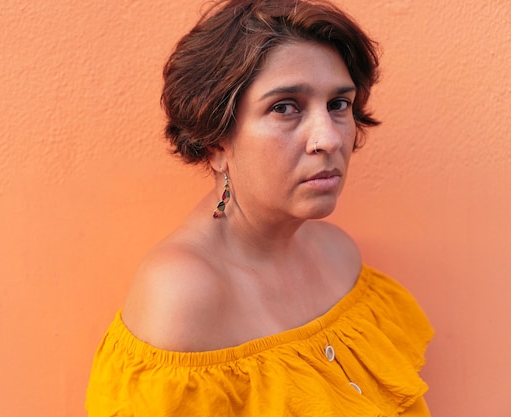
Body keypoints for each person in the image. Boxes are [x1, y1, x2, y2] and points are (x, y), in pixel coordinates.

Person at [86, 0, 434, 415]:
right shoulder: (182, 295)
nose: (329, 138)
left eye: (338, 104)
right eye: (285, 107)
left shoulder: (340, 256)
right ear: (216, 139)